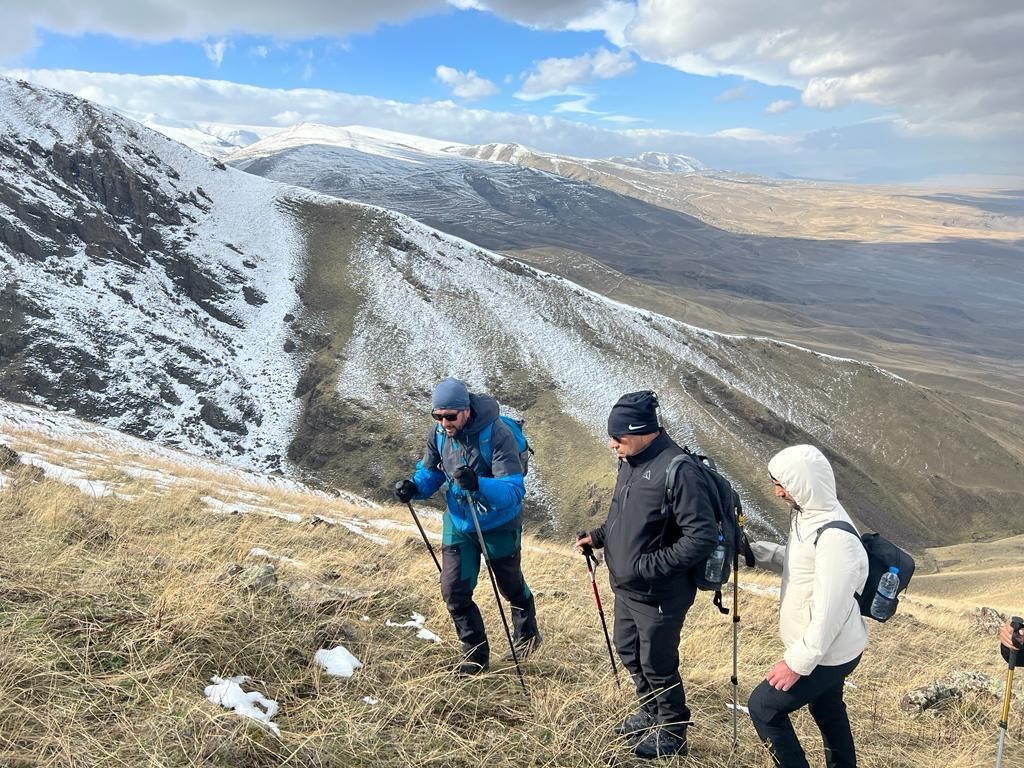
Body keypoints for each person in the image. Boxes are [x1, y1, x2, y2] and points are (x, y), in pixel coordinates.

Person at [576, 390, 718, 759]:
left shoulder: (678, 470)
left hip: (660, 593)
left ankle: (673, 732)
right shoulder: (630, 462)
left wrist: (646, 567)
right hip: (627, 588)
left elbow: (701, 537)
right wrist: (599, 537)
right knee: (629, 652)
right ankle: (650, 711)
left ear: (642, 431)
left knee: (658, 663)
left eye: (618, 437)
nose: (612, 444)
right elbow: (624, 516)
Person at [393, 377, 540, 675]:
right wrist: (414, 487)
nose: (444, 422)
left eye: (450, 416)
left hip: (499, 523)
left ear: (466, 411)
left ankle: (527, 637)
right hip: (459, 522)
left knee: (510, 587)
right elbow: (431, 472)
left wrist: (478, 483)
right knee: (454, 590)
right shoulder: (437, 434)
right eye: (438, 416)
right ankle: (474, 655)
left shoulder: (497, 434)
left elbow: (513, 490)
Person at [747, 444, 869, 768]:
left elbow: (831, 611)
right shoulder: (811, 515)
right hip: (829, 650)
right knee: (827, 708)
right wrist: (754, 553)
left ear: (802, 484)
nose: (777, 493)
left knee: (763, 707)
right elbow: (800, 564)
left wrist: (796, 663)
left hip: (827, 653)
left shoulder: (835, 539)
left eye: (781, 484)